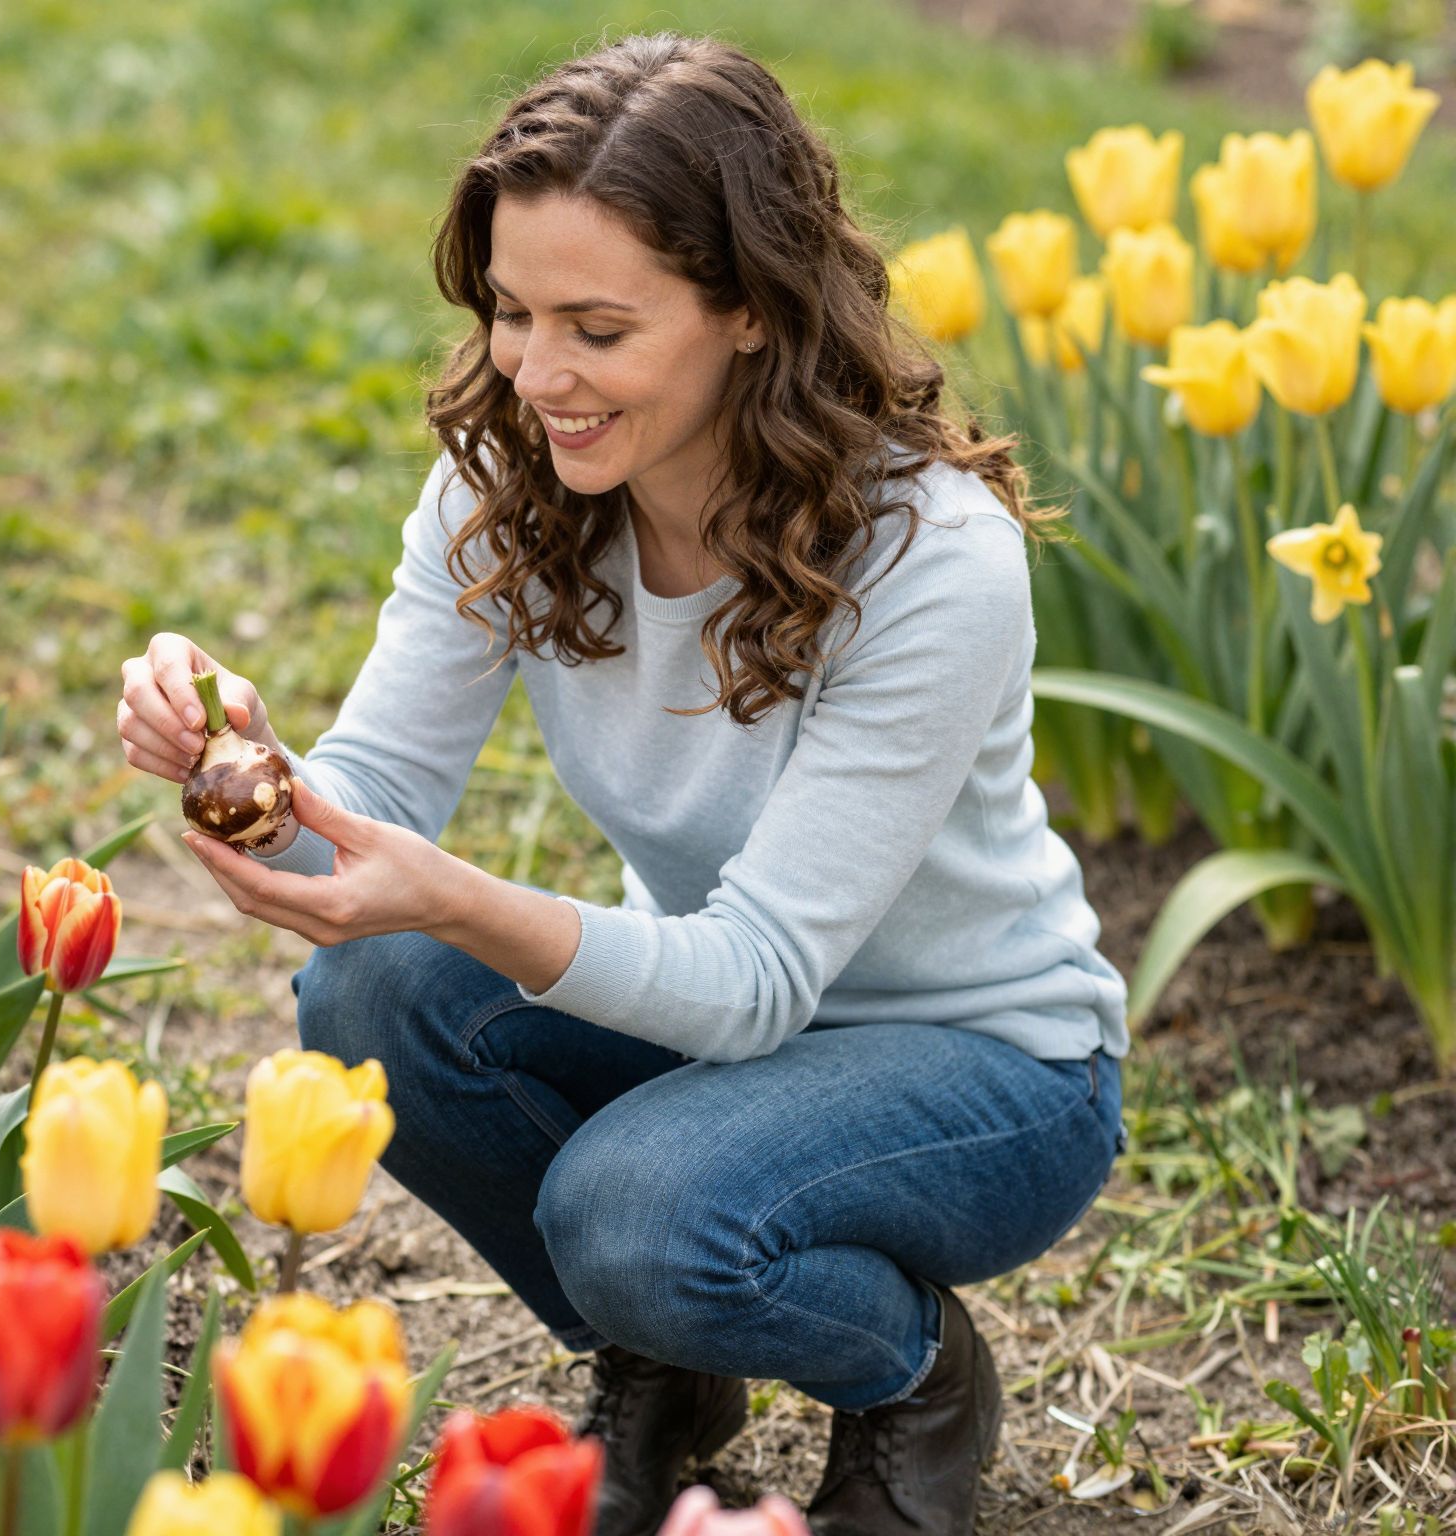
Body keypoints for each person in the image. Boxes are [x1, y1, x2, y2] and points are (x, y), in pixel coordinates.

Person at [116, 32, 1128, 1536]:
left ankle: (912, 1371)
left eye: (598, 326)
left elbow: (762, 978)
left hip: (983, 1070)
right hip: (723, 1043)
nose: (538, 376)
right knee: (372, 992)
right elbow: (373, 796)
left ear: (748, 312)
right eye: (515, 315)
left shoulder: (929, 558)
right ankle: (662, 1368)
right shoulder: (513, 475)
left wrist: (452, 893)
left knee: (633, 1213)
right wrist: (245, 764)